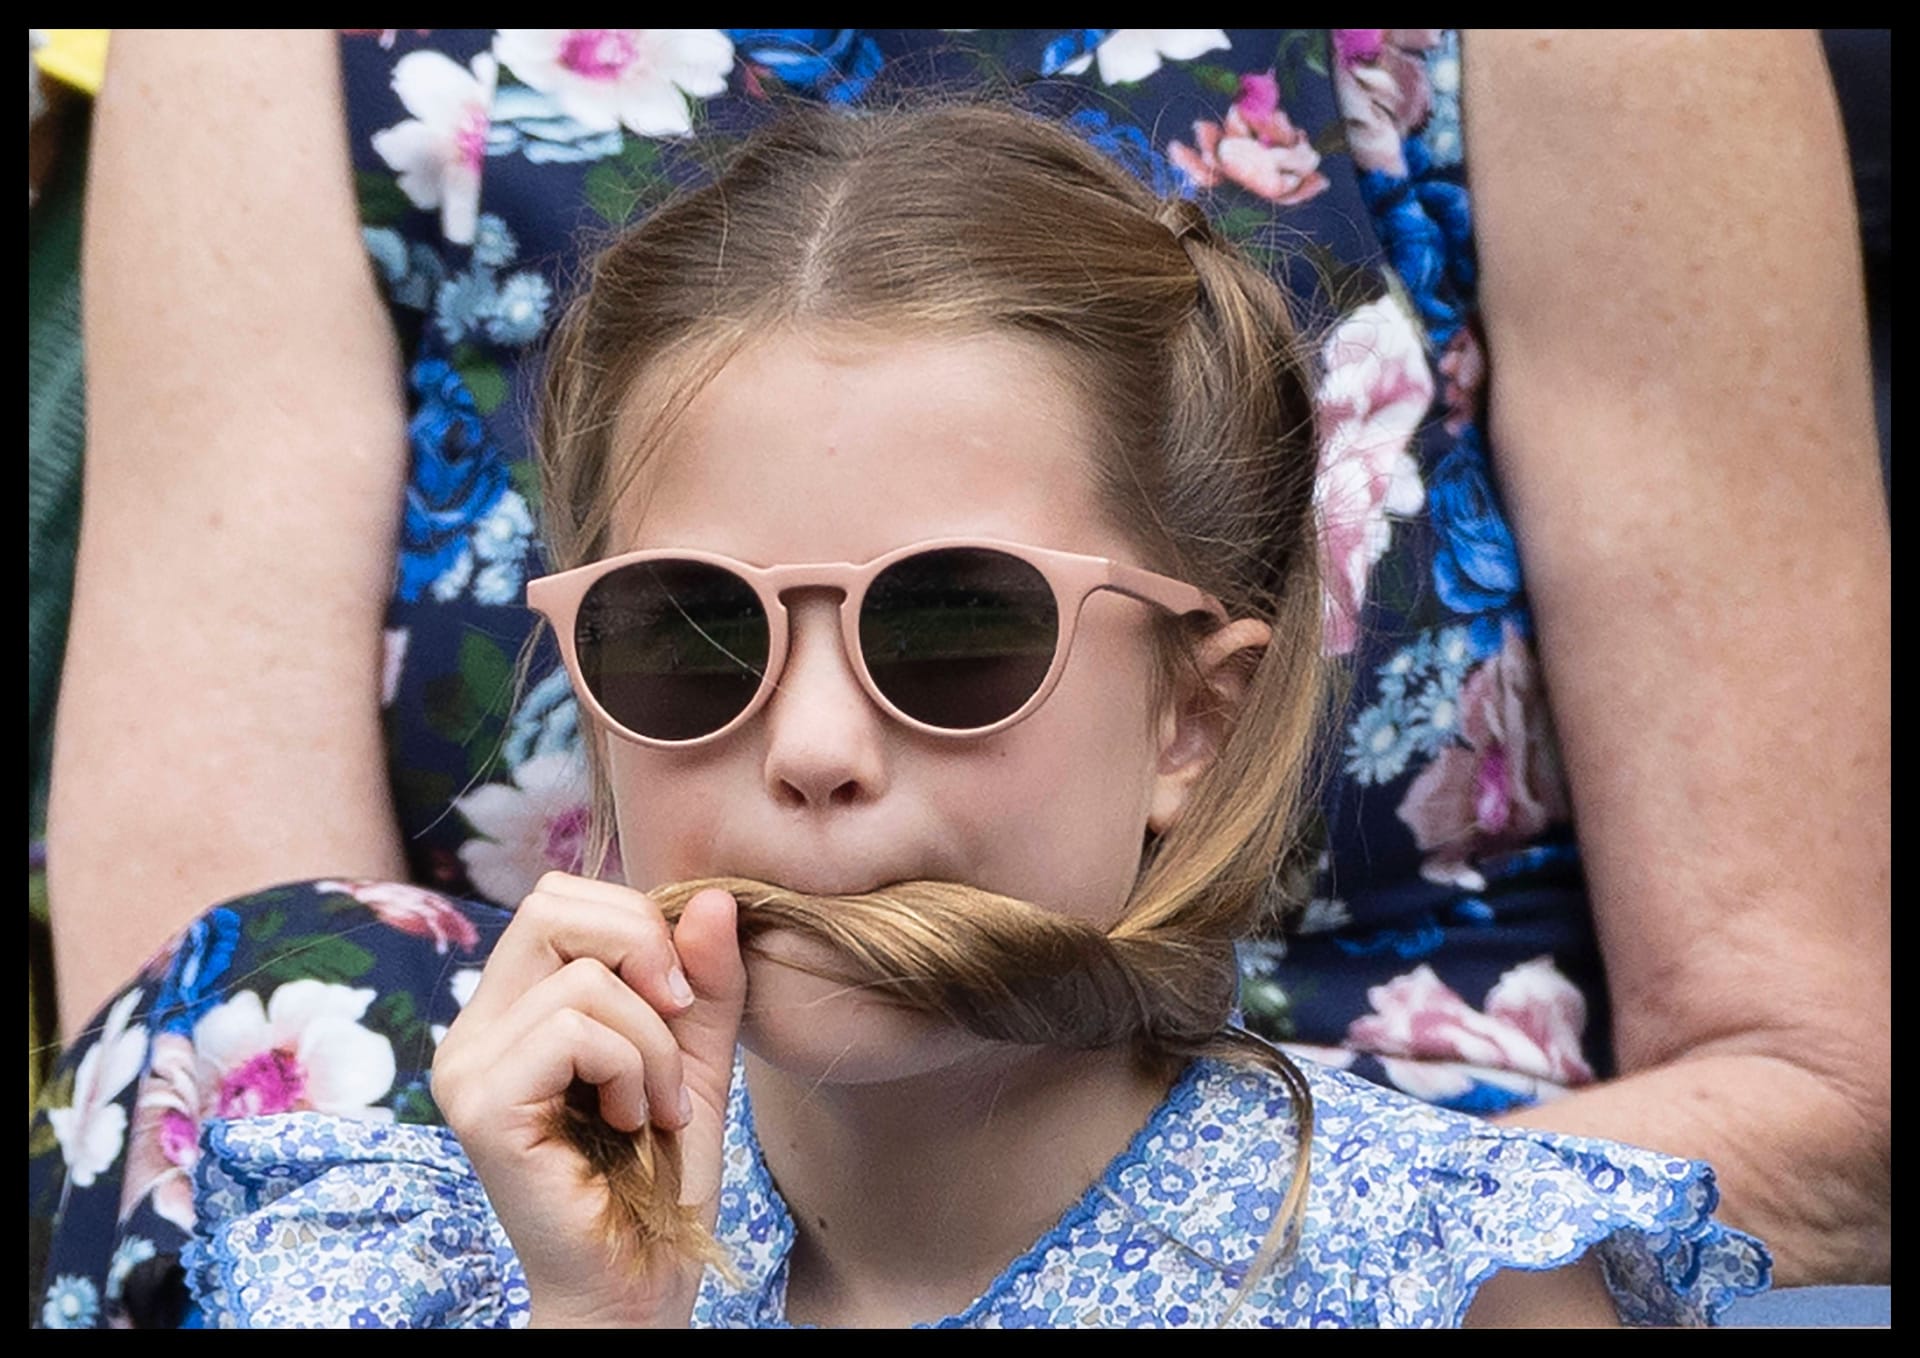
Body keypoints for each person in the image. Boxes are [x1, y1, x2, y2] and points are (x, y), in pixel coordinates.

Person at [33, 30, 1886, 1324]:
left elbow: (1817, 1060)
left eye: (955, 630)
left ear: (1195, 710)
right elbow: (217, 970)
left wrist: (1152, 1246)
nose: (820, 745)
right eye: (684, 637)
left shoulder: (1488, 1270)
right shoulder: (397, 1255)